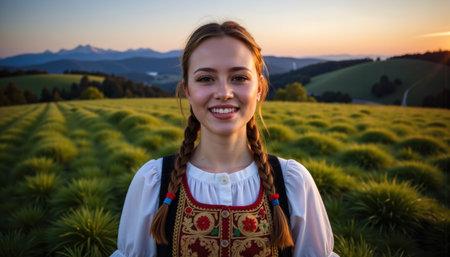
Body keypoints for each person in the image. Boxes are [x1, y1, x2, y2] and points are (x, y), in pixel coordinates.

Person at [111, 21, 338, 257]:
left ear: (259, 88)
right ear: (187, 90)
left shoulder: (294, 184)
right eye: (205, 78)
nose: (223, 92)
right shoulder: (153, 183)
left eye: (239, 78)